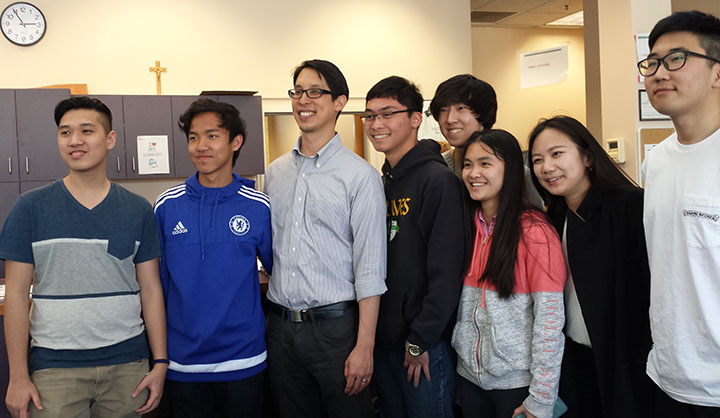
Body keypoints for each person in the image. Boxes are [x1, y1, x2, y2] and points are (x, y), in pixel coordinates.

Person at [0, 96, 167, 418]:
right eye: (65, 132)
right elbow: (18, 294)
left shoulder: (137, 210)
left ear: (110, 139)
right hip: (54, 369)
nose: (75, 141)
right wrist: (18, 377)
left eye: (86, 131)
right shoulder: (30, 207)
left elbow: (151, 289)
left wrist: (159, 361)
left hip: (128, 366)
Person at [264, 59, 387, 418]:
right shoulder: (275, 173)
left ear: (339, 102)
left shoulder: (360, 177)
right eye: (298, 91)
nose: (304, 99)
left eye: (315, 91)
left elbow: (370, 268)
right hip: (281, 328)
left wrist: (364, 346)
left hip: (336, 331)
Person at [153, 98, 272, 417]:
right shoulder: (166, 206)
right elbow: (156, 286)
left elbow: (278, 274)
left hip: (244, 359)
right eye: (193, 137)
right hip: (183, 362)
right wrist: (159, 357)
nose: (200, 146)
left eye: (212, 136)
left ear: (236, 142)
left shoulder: (258, 206)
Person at [528, 116, 653, 417]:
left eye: (557, 154)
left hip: (627, 362)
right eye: (537, 160)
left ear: (586, 156)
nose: (546, 167)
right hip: (576, 357)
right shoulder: (554, 217)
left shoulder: (629, 206)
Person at [363, 76, 465, 417]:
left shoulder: (438, 182)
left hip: (422, 345)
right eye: (370, 115)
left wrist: (420, 338)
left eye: (388, 113)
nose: (376, 124)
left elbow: (446, 273)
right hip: (385, 342)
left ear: (415, 119)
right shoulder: (382, 182)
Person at [638, 10, 720, 416]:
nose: (658, 72)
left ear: (717, 73)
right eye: (652, 61)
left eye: (677, 59)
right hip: (665, 376)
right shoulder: (656, 161)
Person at [452, 129, 565, 418]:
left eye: (485, 163)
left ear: (511, 169)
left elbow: (549, 323)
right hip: (469, 380)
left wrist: (541, 398)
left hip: (517, 386)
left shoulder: (534, 232)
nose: (473, 173)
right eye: (467, 164)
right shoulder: (466, 227)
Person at [429, 74, 543, 207]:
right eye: (443, 110)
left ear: (484, 114)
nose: (450, 119)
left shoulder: (516, 173)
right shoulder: (436, 168)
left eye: (461, 108)